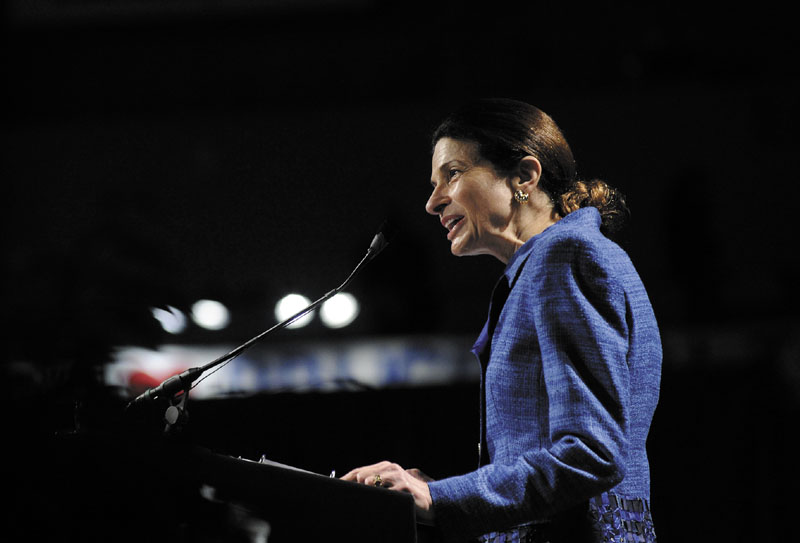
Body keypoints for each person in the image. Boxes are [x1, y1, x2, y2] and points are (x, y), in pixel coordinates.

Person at [342, 98, 662, 543]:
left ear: (524, 176)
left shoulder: (564, 256)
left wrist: (439, 499)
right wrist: (437, 493)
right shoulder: (553, 262)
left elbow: (592, 455)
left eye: (453, 173)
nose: (433, 202)